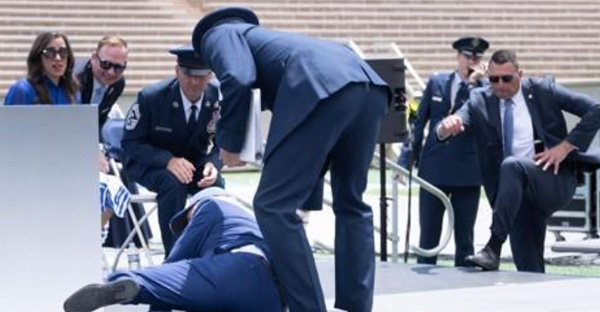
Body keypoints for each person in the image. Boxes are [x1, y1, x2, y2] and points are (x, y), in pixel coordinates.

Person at [192, 7, 389, 312]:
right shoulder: (270, 41)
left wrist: (228, 143)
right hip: (369, 84)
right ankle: (356, 306)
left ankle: (306, 308)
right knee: (352, 202)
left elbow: (238, 77)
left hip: (321, 87)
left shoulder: (219, 34)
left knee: (272, 206)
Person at [437, 49, 600, 273]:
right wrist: (446, 127)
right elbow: (454, 121)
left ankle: (493, 246)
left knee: (512, 165)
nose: (500, 85)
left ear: (520, 74)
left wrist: (564, 147)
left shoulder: (543, 90)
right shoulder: (480, 99)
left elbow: (596, 109)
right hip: (514, 196)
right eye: (494, 79)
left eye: (507, 78)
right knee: (529, 268)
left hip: (554, 180)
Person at [63, 187, 283, 312]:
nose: (187, 227)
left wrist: (156, 297)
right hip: (266, 293)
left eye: (187, 221)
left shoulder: (211, 206)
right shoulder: (257, 226)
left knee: (145, 282)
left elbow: (175, 263)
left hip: (231, 269)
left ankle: (126, 281)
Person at [121, 45, 224, 255]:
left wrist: (214, 164)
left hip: (192, 162)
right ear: (177, 71)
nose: (194, 82)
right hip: (149, 163)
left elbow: (223, 142)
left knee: (216, 183)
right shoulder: (151, 98)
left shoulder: (218, 98)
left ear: (210, 75)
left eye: (201, 75)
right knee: (173, 183)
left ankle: (209, 250)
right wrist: (168, 161)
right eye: (187, 74)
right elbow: (131, 143)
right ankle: (175, 255)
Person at [412, 37, 489, 266]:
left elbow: (468, 115)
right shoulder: (437, 81)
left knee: (465, 238)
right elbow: (420, 121)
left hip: (468, 171)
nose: (472, 62)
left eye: (477, 58)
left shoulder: (485, 89)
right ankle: (422, 284)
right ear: (458, 57)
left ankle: (461, 286)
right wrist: (412, 156)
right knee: (428, 235)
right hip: (434, 168)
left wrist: (472, 85)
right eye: (468, 57)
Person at [4, 31, 79, 105]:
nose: (58, 58)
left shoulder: (73, 93)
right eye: (50, 52)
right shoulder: (23, 90)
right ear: (38, 57)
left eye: (63, 52)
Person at [74, 35, 129, 131]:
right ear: (94, 58)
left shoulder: (118, 83)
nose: (111, 72)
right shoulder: (76, 78)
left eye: (118, 67)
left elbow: (100, 120)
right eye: (106, 64)